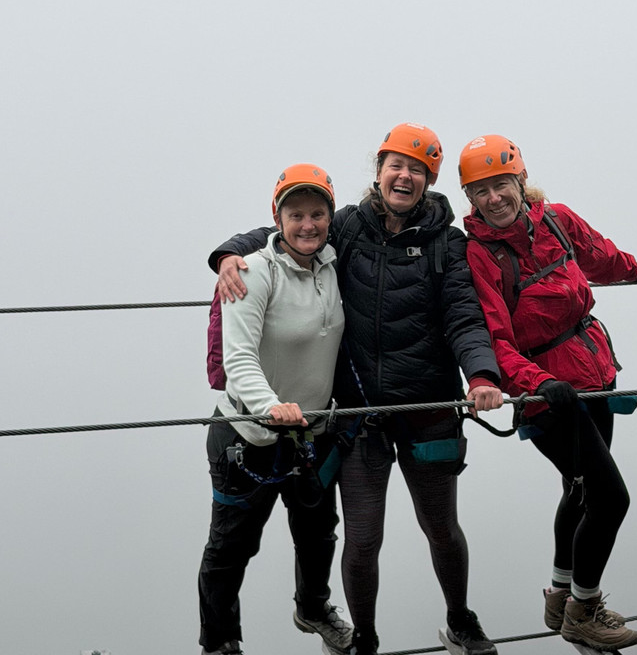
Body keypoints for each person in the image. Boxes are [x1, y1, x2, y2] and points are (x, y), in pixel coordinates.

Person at [212, 123, 503, 655]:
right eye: (396, 164)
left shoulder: (447, 242)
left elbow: (464, 315)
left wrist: (482, 375)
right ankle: (364, 639)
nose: (404, 175)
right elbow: (286, 232)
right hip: (361, 415)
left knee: (441, 528)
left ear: (428, 180)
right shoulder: (347, 226)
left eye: (417, 169)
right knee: (363, 538)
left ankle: (461, 619)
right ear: (378, 171)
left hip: (427, 406)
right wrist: (227, 254)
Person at [457, 135, 637, 652]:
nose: (493, 198)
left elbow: (597, 256)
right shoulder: (481, 255)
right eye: (480, 190)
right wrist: (536, 383)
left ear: (520, 182)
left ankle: (560, 595)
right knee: (610, 498)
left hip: (594, 373)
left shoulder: (556, 220)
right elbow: (495, 338)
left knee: (579, 489)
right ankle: (583, 609)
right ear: (471, 198)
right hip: (548, 394)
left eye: (501, 185)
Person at [197, 164, 353, 655]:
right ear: (276, 219)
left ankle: (312, 609)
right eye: (296, 214)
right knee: (231, 549)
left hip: (312, 432)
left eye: (317, 213)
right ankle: (219, 642)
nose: (308, 225)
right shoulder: (250, 271)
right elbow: (239, 357)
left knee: (318, 535)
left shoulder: (335, 266)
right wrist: (270, 406)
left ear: (330, 217)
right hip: (250, 436)